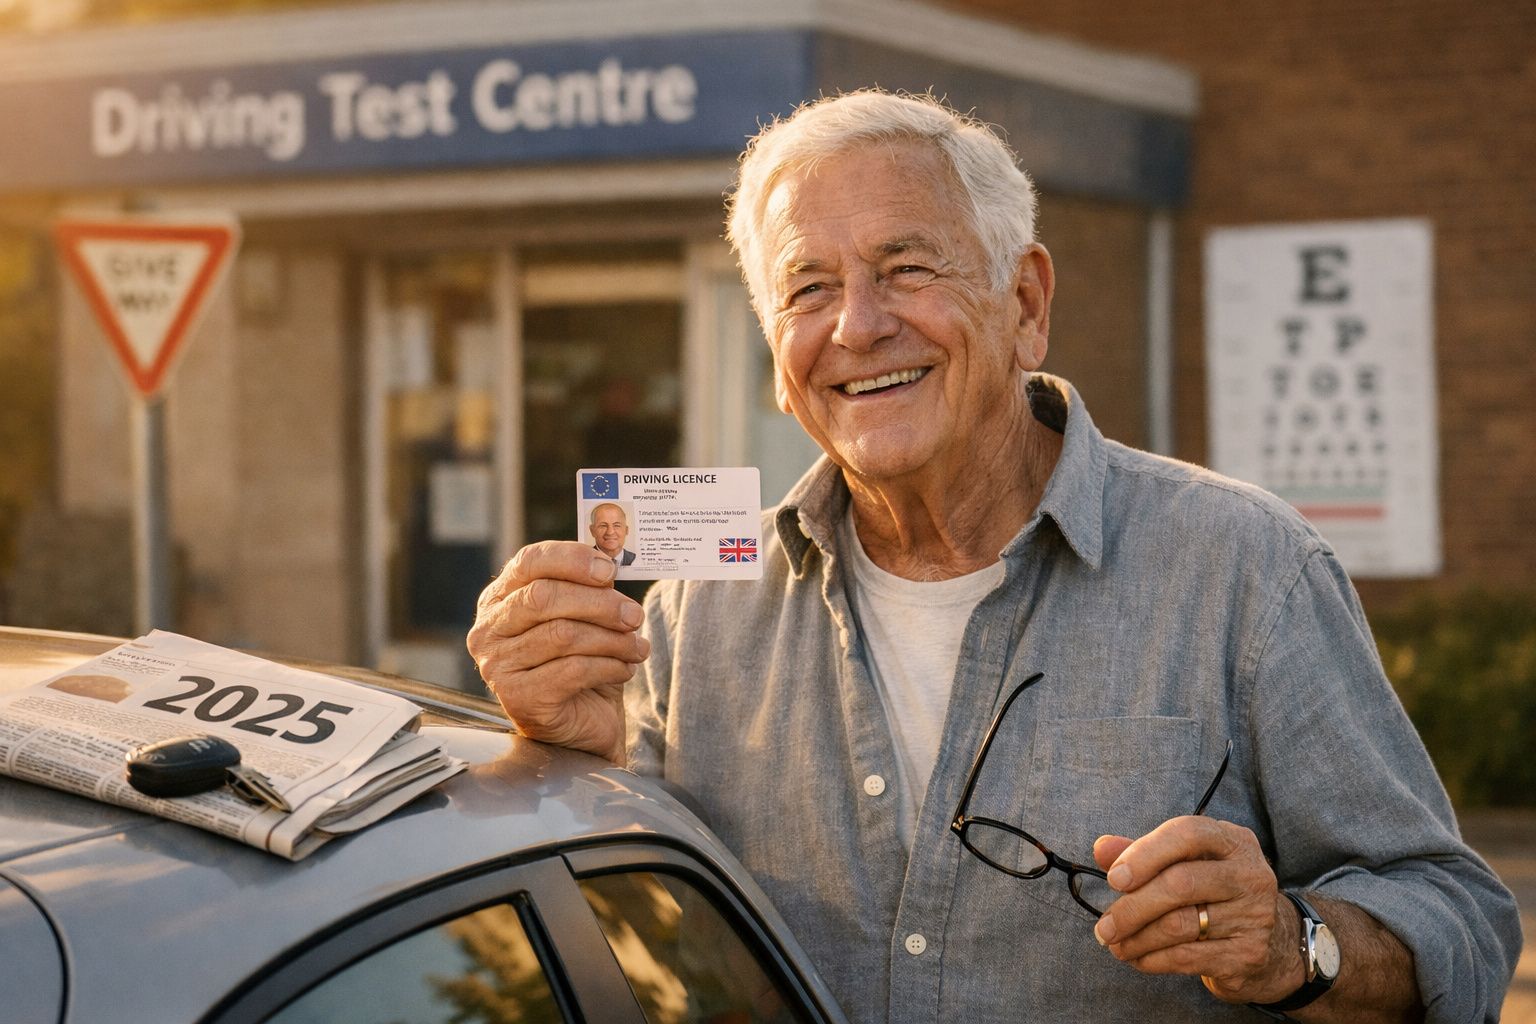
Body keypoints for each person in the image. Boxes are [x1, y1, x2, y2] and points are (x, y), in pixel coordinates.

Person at [469, 91, 1519, 1023]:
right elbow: (633, 950)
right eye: (808, 290)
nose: (859, 326)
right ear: (777, 362)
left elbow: (1459, 924)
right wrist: (570, 766)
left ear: (1024, 305)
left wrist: (1296, 945)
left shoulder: (1245, 566)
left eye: (905, 269)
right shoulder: (697, 610)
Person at [587, 501, 637, 566]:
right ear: (592, 531)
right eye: (603, 525)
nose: (610, 532)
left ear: (626, 530)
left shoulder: (637, 559)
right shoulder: (584, 560)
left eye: (616, 525)